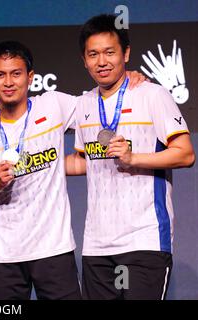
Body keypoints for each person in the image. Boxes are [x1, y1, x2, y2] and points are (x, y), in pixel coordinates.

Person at [0, 41, 146, 300]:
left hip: (54, 249)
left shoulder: (53, 105)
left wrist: (125, 78)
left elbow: (98, 105)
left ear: (30, 77)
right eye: (0, 74)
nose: (8, 82)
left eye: (16, 73)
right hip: (3, 252)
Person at [69, 14, 195, 300]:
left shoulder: (153, 95)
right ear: (84, 60)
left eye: (110, 52)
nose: (102, 61)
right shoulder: (84, 104)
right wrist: (28, 166)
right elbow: (82, 161)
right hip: (97, 245)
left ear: (125, 53)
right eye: (93, 54)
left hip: (145, 239)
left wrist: (133, 158)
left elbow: (186, 154)